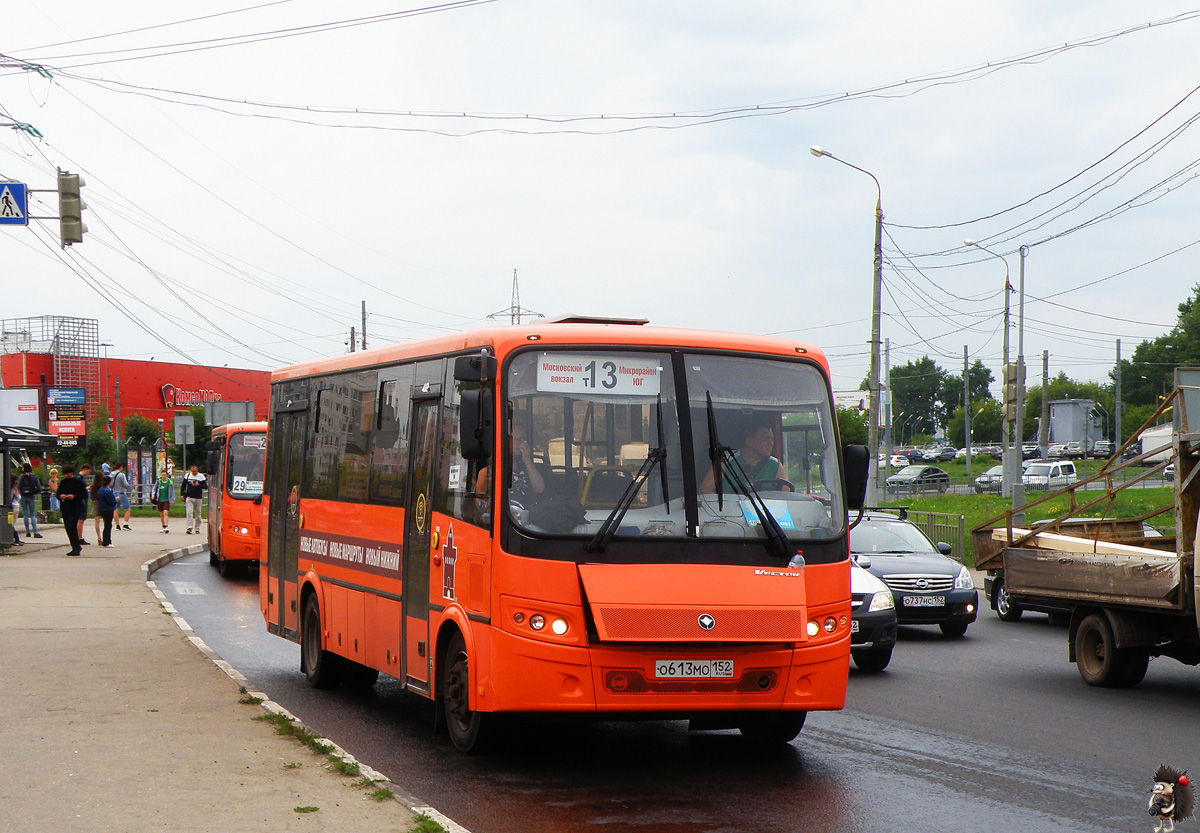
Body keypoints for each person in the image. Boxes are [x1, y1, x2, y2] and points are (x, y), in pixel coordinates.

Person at [700, 420, 790, 494]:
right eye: (764, 439)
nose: (771, 443)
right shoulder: (726, 460)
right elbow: (704, 489)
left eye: (772, 439)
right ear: (749, 442)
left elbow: (786, 495)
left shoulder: (775, 464)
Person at [474, 422, 545, 508]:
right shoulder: (487, 472)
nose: (523, 444)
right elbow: (479, 504)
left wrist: (528, 461)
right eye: (518, 440)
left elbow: (539, 489)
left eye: (524, 439)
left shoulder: (526, 467)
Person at [56, 465, 88, 556]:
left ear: (71, 473)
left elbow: (84, 494)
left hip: (75, 507)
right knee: (67, 527)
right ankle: (74, 546)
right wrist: (60, 496)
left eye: (68, 474)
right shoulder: (63, 482)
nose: (66, 475)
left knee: (72, 526)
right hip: (65, 507)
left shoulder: (79, 482)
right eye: (65, 474)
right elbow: (58, 493)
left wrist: (74, 496)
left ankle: (76, 546)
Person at [17, 463, 43, 539]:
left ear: (24, 468)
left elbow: (18, 486)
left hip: (23, 496)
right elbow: (39, 488)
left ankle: (27, 532)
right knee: (32, 515)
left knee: (25, 514)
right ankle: (35, 532)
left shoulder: (21, 476)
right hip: (31, 496)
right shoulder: (34, 477)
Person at [181, 464, 207, 534]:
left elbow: (205, 486)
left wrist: (199, 485)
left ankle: (197, 528)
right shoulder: (188, 475)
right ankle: (189, 527)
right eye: (193, 471)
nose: (194, 473)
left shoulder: (201, 476)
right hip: (189, 496)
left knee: (198, 514)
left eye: (195, 471)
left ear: (197, 470)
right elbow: (183, 485)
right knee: (189, 513)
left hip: (198, 497)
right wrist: (182, 494)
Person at [97, 475, 117, 547]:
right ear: (110, 482)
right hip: (108, 509)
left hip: (102, 508)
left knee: (106, 524)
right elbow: (112, 501)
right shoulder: (107, 490)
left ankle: (107, 541)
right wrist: (116, 500)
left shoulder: (101, 489)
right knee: (108, 525)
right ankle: (107, 541)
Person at [111, 463, 133, 531]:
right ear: (121, 467)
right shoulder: (121, 475)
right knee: (127, 509)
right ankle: (125, 525)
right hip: (121, 493)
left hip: (114, 493)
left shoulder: (111, 474)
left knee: (116, 509)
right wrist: (129, 487)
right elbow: (125, 484)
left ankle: (117, 526)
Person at [77, 463, 94, 545]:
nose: (89, 473)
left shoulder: (78, 478)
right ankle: (79, 537)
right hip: (82, 502)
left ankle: (78, 537)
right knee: (81, 520)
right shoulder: (80, 479)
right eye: (88, 471)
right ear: (84, 469)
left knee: (80, 520)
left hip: (80, 501)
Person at [153, 469, 174, 533]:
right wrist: (153, 495)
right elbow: (154, 488)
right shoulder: (159, 482)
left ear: (167, 475)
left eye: (164, 475)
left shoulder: (170, 482)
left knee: (165, 512)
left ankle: (166, 526)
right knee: (161, 513)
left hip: (166, 500)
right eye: (162, 475)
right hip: (159, 499)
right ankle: (163, 526)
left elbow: (172, 492)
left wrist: (172, 499)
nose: (163, 476)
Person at [8, 476, 24, 546]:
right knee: (12, 523)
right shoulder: (14, 489)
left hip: (8, 508)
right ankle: (16, 539)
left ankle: (13, 538)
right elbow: (19, 498)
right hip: (14, 507)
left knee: (9, 523)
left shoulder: (6, 488)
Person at [90, 471, 105, 542]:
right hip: (103, 503)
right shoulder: (102, 486)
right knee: (106, 521)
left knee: (97, 521)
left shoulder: (93, 486)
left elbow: (91, 496)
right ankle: (105, 537)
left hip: (95, 502)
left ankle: (99, 537)